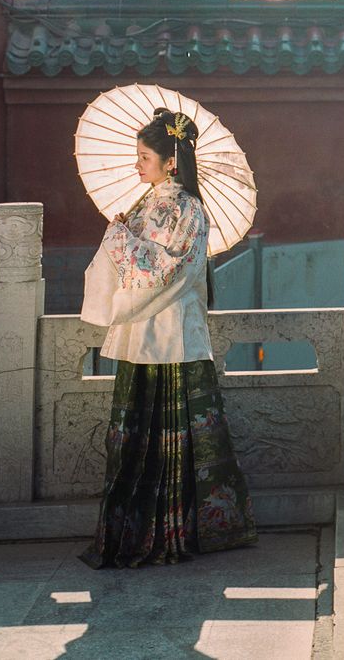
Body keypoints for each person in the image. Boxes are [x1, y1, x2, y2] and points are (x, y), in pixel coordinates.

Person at [79, 108, 257, 568]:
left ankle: (172, 531)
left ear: (170, 161)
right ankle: (137, 528)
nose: (137, 165)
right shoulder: (152, 203)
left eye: (144, 157)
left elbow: (165, 268)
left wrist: (120, 239)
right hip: (146, 331)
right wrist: (125, 232)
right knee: (141, 438)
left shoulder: (187, 208)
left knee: (171, 440)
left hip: (172, 332)